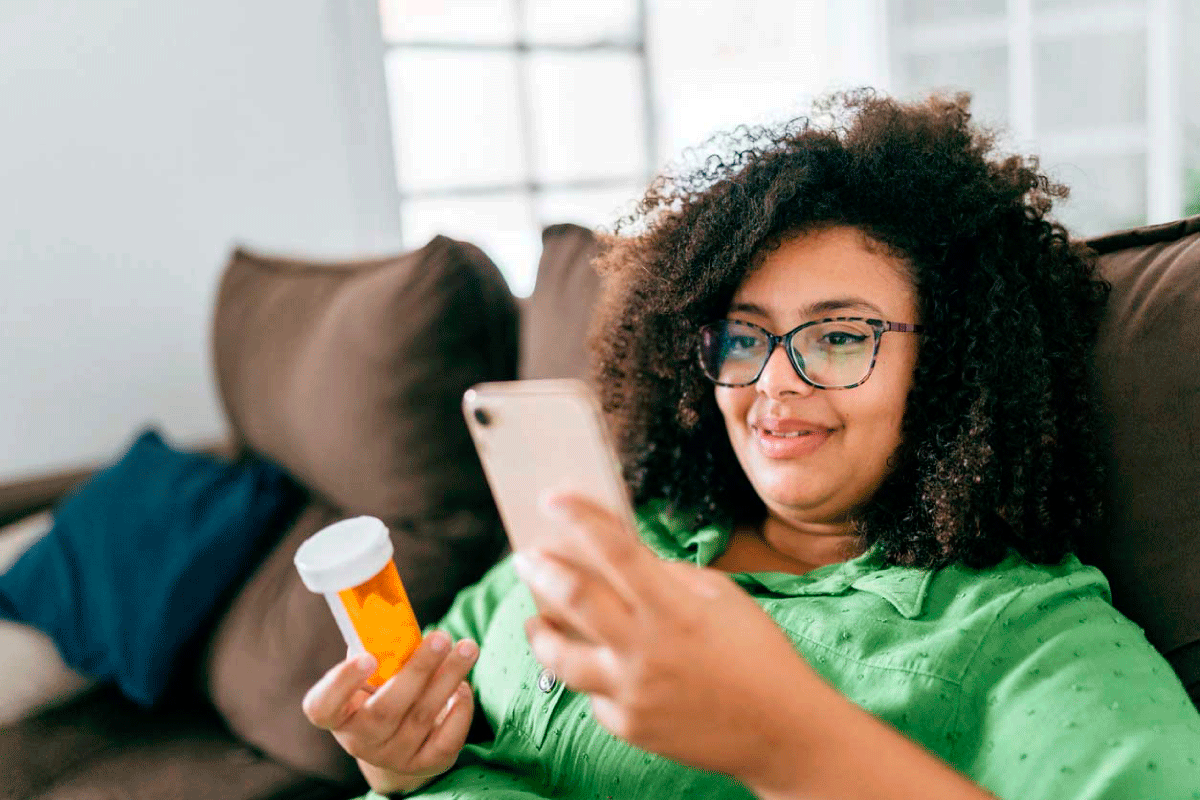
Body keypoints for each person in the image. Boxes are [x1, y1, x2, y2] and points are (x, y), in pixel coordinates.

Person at [301, 91, 1200, 799]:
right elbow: (438, 686)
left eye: (839, 336)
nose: (773, 382)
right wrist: (396, 757)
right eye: (742, 337)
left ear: (957, 366)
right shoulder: (636, 525)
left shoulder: (1018, 634)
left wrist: (787, 740)